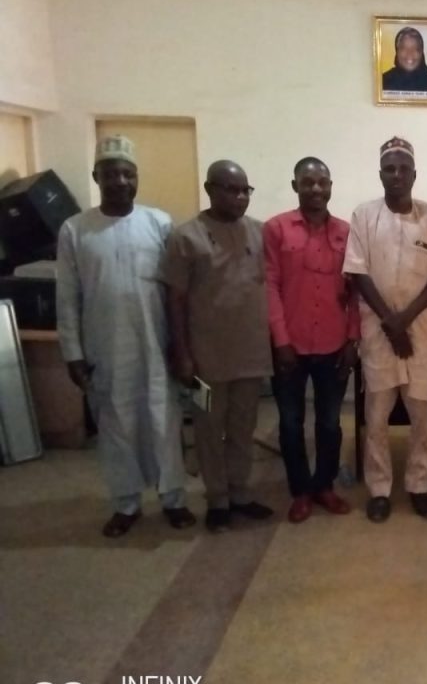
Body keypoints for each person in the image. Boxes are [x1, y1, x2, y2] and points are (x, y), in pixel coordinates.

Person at [56, 135, 195, 537]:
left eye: (127, 174)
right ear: (96, 177)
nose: (120, 181)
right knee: (116, 426)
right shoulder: (75, 230)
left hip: (156, 343)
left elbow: (177, 291)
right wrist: (72, 353)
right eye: (111, 174)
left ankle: (173, 499)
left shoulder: (159, 223)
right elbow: (67, 296)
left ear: (136, 178)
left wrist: (182, 346)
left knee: (163, 421)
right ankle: (126, 504)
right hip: (105, 347)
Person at [344, 137, 427, 522]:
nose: (396, 175)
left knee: (423, 417)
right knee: (376, 418)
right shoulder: (364, 215)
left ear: (414, 174)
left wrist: (403, 320)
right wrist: (390, 323)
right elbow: (357, 271)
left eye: (403, 168)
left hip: (422, 335)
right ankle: (379, 489)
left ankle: (419, 486)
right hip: (378, 335)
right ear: (380, 174)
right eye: (389, 169)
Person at [162, 160, 274, 534]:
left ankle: (240, 493)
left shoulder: (259, 232)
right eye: (231, 189)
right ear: (210, 189)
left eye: (245, 190)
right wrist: (182, 353)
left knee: (243, 428)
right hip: (204, 360)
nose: (240, 197)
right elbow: (175, 299)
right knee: (208, 431)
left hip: (250, 355)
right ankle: (217, 500)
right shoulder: (186, 237)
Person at [264, 157, 360, 524]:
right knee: (291, 423)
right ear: (295, 187)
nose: (316, 189)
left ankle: (324, 485)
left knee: (330, 423)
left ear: (331, 186)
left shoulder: (346, 232)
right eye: (308, 182)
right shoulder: (276, 229)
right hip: (290, 346)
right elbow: (270, 286)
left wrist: (352, 339)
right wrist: (280, 340)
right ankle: (300, 491)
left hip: (334, 344)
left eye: (322, 182)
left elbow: (355, 292)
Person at [381, 27, 427, 93]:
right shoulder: (383, 82)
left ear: (421, 53)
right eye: (404, 48)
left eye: (415, 49)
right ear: (397, 52)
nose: (409, 53)